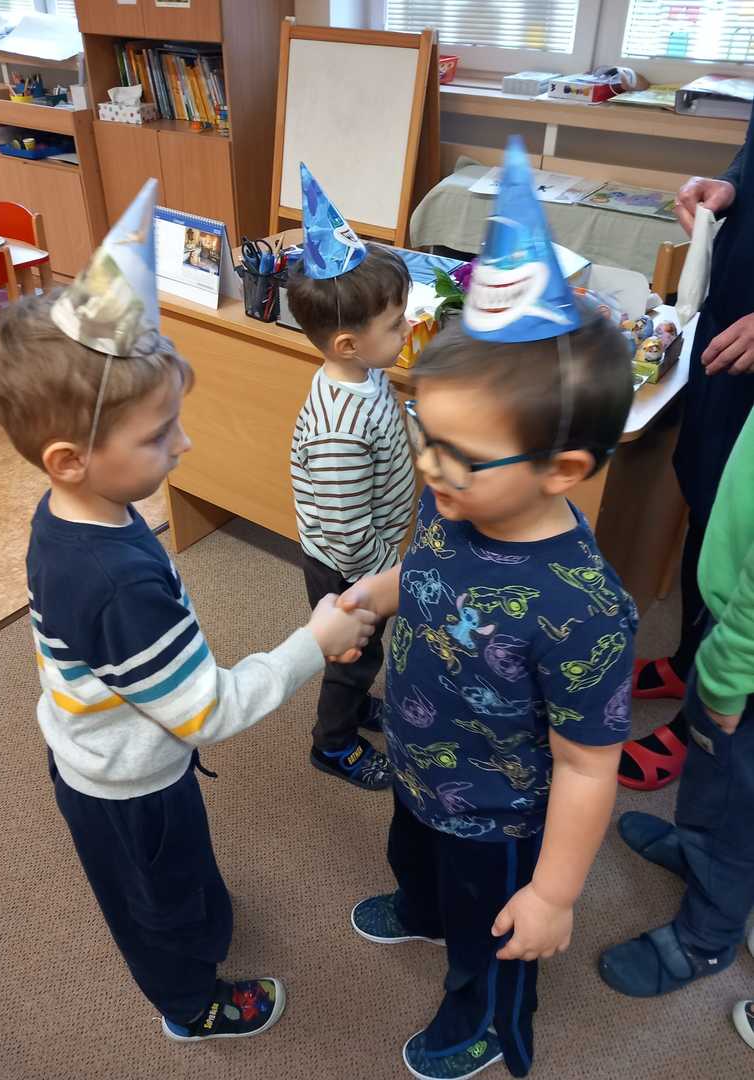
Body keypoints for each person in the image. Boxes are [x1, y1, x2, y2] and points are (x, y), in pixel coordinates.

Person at [0, 180, 376, 1043]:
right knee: (160, 901)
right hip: (129, 782)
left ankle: (194, 933)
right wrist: (314, 640)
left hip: (119, 745)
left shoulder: (77, 512)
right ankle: (190, 1005)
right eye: (159, 435)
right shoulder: (113, 581)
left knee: (174, 879)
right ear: (69, 458)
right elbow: (208, 709)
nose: (183, 444)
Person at [339, 139, 637, 1080]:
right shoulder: (454, 496)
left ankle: (487, 1021)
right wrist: (377, 594)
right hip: (418, 761)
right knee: (416, 860)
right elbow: (427, 572)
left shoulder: (584, 608)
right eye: (425, 435)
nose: (428, 465)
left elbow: (588, 766)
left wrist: (554, 893)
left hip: (499, 816)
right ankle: (421, 909)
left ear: (563, 470)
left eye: (457, 454)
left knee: (493, 932)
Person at [599, 404, 754, 1000]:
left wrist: (728, 670)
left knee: (739, 802)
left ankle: (706, 937)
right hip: (733, 613)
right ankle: (696, 850)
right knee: (711, 767)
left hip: (744, 650)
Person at [620, 104, 754, 791]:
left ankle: (709, 718)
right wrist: (731, 185)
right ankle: (689, 659)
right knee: (708, 490)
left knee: (746, 544)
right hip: (733, 320)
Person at [287, 164, 415, 791]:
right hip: (350, 564)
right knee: (351, 655)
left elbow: (388, 420)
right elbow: (343, 529)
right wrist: (387, 576)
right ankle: (332, 743)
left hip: (370, 552)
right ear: (346, 343)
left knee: (365, 653)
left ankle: (356, 704)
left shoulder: (365, 373)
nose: (407, 328)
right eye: (396, 324)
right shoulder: (339, 428)